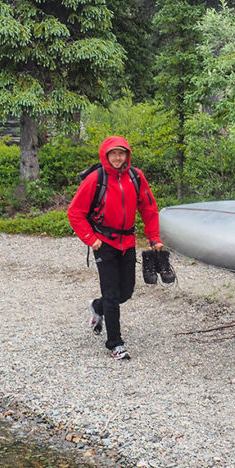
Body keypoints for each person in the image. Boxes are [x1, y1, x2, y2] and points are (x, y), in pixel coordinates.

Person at [67, 136, 163, 360]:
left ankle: (97, 307)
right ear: (106, 155)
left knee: (126, 292)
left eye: (122, 153)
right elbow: (75, 212)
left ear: (127, 155)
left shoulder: (135, 177)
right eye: (113, 153)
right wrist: (91, 239)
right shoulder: (95, 179)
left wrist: (154, 238)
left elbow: (149, 209)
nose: (118, 157)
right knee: (111, 294)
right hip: (104, 242)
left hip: (127, 242)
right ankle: (115, 344)